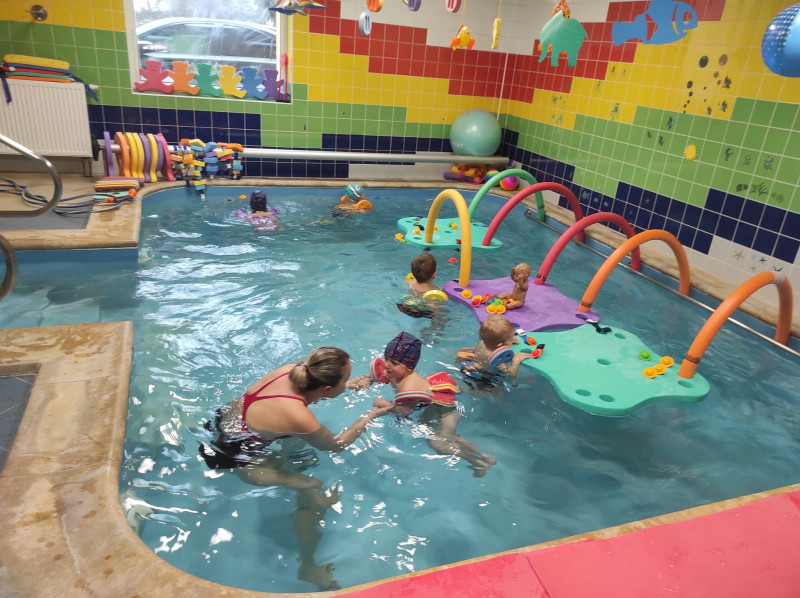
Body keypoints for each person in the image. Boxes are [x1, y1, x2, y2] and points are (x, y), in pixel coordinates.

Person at [200, 346, 394, 590]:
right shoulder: (300, 417)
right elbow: (336, 445)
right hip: (238, 457)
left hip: (224, 421)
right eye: (345, 378)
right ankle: (308, 567)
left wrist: (348, 385)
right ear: (326, 388)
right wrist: (371, 414)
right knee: (313, 486)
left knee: (296, 442)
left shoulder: (291, 370)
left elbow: (298, 401)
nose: (348, 381)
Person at [348, 332, 496, 477]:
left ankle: (478, 462)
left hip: (445, 411)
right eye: (386, 359)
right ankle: (484, 457)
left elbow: (406, 411)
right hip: (434, 406)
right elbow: (383, 376)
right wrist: (370, 381)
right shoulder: (398, 372)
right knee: (453, 437)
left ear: (409, 368)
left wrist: (380, 406)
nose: (387, 365)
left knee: (437, 444)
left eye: (394, 363)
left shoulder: (410, 387)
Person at [456, 314, 531, 388]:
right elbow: (511, 374)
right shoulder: (498, 359)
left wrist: (507, 340)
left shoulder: (482, 343)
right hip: (483, 377)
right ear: (500, 345)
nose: (513, 339)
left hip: (470, 365)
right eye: (511, 339)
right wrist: (516, 361)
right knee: (498, 391)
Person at [397, 253, 445, 319]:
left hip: (409, 307)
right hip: (424, 311)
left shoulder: (411, 283)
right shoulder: (434, 290)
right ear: (434, 275)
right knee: (442, 313)